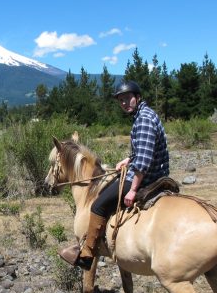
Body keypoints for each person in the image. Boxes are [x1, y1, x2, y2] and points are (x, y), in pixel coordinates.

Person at [66, 80, 170, 270]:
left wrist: (134, 189)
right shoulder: (142, 116)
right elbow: (143, 150)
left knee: (98, 205)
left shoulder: (144, 119)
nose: (124, 103)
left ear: (137, 98)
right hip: (151, 172)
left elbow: (144, 160)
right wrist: (128, 159)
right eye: (120, 100)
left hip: (148, 177)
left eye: (127, 98)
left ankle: (87, 254)